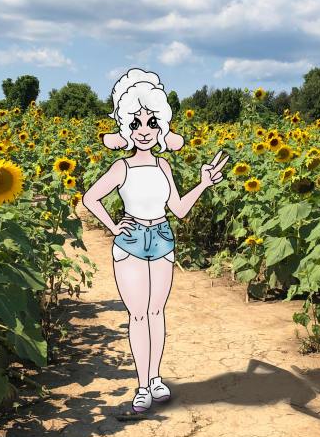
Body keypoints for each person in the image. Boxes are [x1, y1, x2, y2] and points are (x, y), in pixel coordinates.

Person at [82, 68, 229, 412]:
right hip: (131, 240)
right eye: (135, 124)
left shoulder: (164, 166)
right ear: (125, 128)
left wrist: (204, 183)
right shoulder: (122, 167)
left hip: (162, 236)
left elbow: (177, 209)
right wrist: (113, 227)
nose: (144, 131)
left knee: (157, 311)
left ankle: (156, 377)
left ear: (161, 126)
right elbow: (91, 198)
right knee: (137, 315)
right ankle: (143, 385)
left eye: (151, 123)